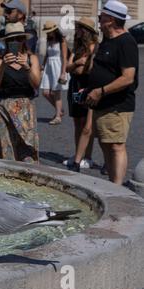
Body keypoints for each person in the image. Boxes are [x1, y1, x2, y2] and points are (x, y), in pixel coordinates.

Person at [85, 0, 138, 185]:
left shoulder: (126, 42)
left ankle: (117, 187)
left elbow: (128, 77)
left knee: (116, 146)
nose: (98, 20)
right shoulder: (106, 40)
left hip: (118, 105)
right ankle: (112, 182)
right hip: (101, 103)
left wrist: (100, 90)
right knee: (106, 143)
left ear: (111, 20)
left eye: (101, 17)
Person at [0, 22, 41, 163]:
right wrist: (3, 66)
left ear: (23, 40)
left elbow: (36, 84)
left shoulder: (32, 58)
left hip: (25, 109)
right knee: (7, 154)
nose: (15, 42)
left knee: (28, 154)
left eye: (18, 39)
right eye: (11, 40)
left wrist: (26, 67)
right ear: (6, 42)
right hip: (2, 109)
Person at [65, 17, 99, 171]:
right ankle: (78, 152)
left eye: (79, 28)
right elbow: (67, 67)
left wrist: (80, 65)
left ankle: (88, 156)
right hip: (75, 84)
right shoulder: (77, 49)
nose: (76, 31)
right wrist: (77, 63)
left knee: (87, 124)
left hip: (87, 85)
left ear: (86, 32)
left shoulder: (94, 48)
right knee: (77, 121)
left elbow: (93, 68)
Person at [40, 21, 69, 125]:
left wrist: (63, 72)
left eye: (49, 32)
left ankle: (58, 116)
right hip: (48, 66)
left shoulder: (62, 41)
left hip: (58, 66)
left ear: (54, 30)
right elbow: (47, 55)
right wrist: (43, 66)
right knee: (45, 93)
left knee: (57, 93)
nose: (48, 34)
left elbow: (65, 58)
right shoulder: (49, 40)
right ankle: (60, 110)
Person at [0, 0, 27, 67]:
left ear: (20, 15)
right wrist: (5, 66)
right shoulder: (2, 33)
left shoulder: (28, 34)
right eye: (5, 11)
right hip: (3, 76)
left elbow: (30, 61)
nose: (5, 14)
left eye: (9, 11)